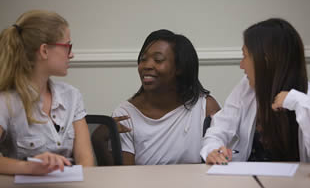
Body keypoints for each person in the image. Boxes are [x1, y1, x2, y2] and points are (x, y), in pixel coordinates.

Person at [200, 18, 310, 164]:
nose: (241, 65)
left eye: (245, 56)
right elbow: (219, 128)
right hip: (250, 180)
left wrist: (297, 103)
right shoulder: (246, 88)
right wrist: (213, 150)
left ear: (265, 60)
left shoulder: (304, 99)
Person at [0, 10, 95, 175]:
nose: (71, 54)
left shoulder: (72, 96)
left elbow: (86, 160)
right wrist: (29, 168)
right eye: (67, 46)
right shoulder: (6, 101)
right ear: (44, 51)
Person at [112, 29, 221, 165]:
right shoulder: (125, 115)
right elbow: (127, 177)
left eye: (158, 60)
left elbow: (219, 164)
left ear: (179, 67)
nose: (147, 66)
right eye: (143, 59)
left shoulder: (205, 107)